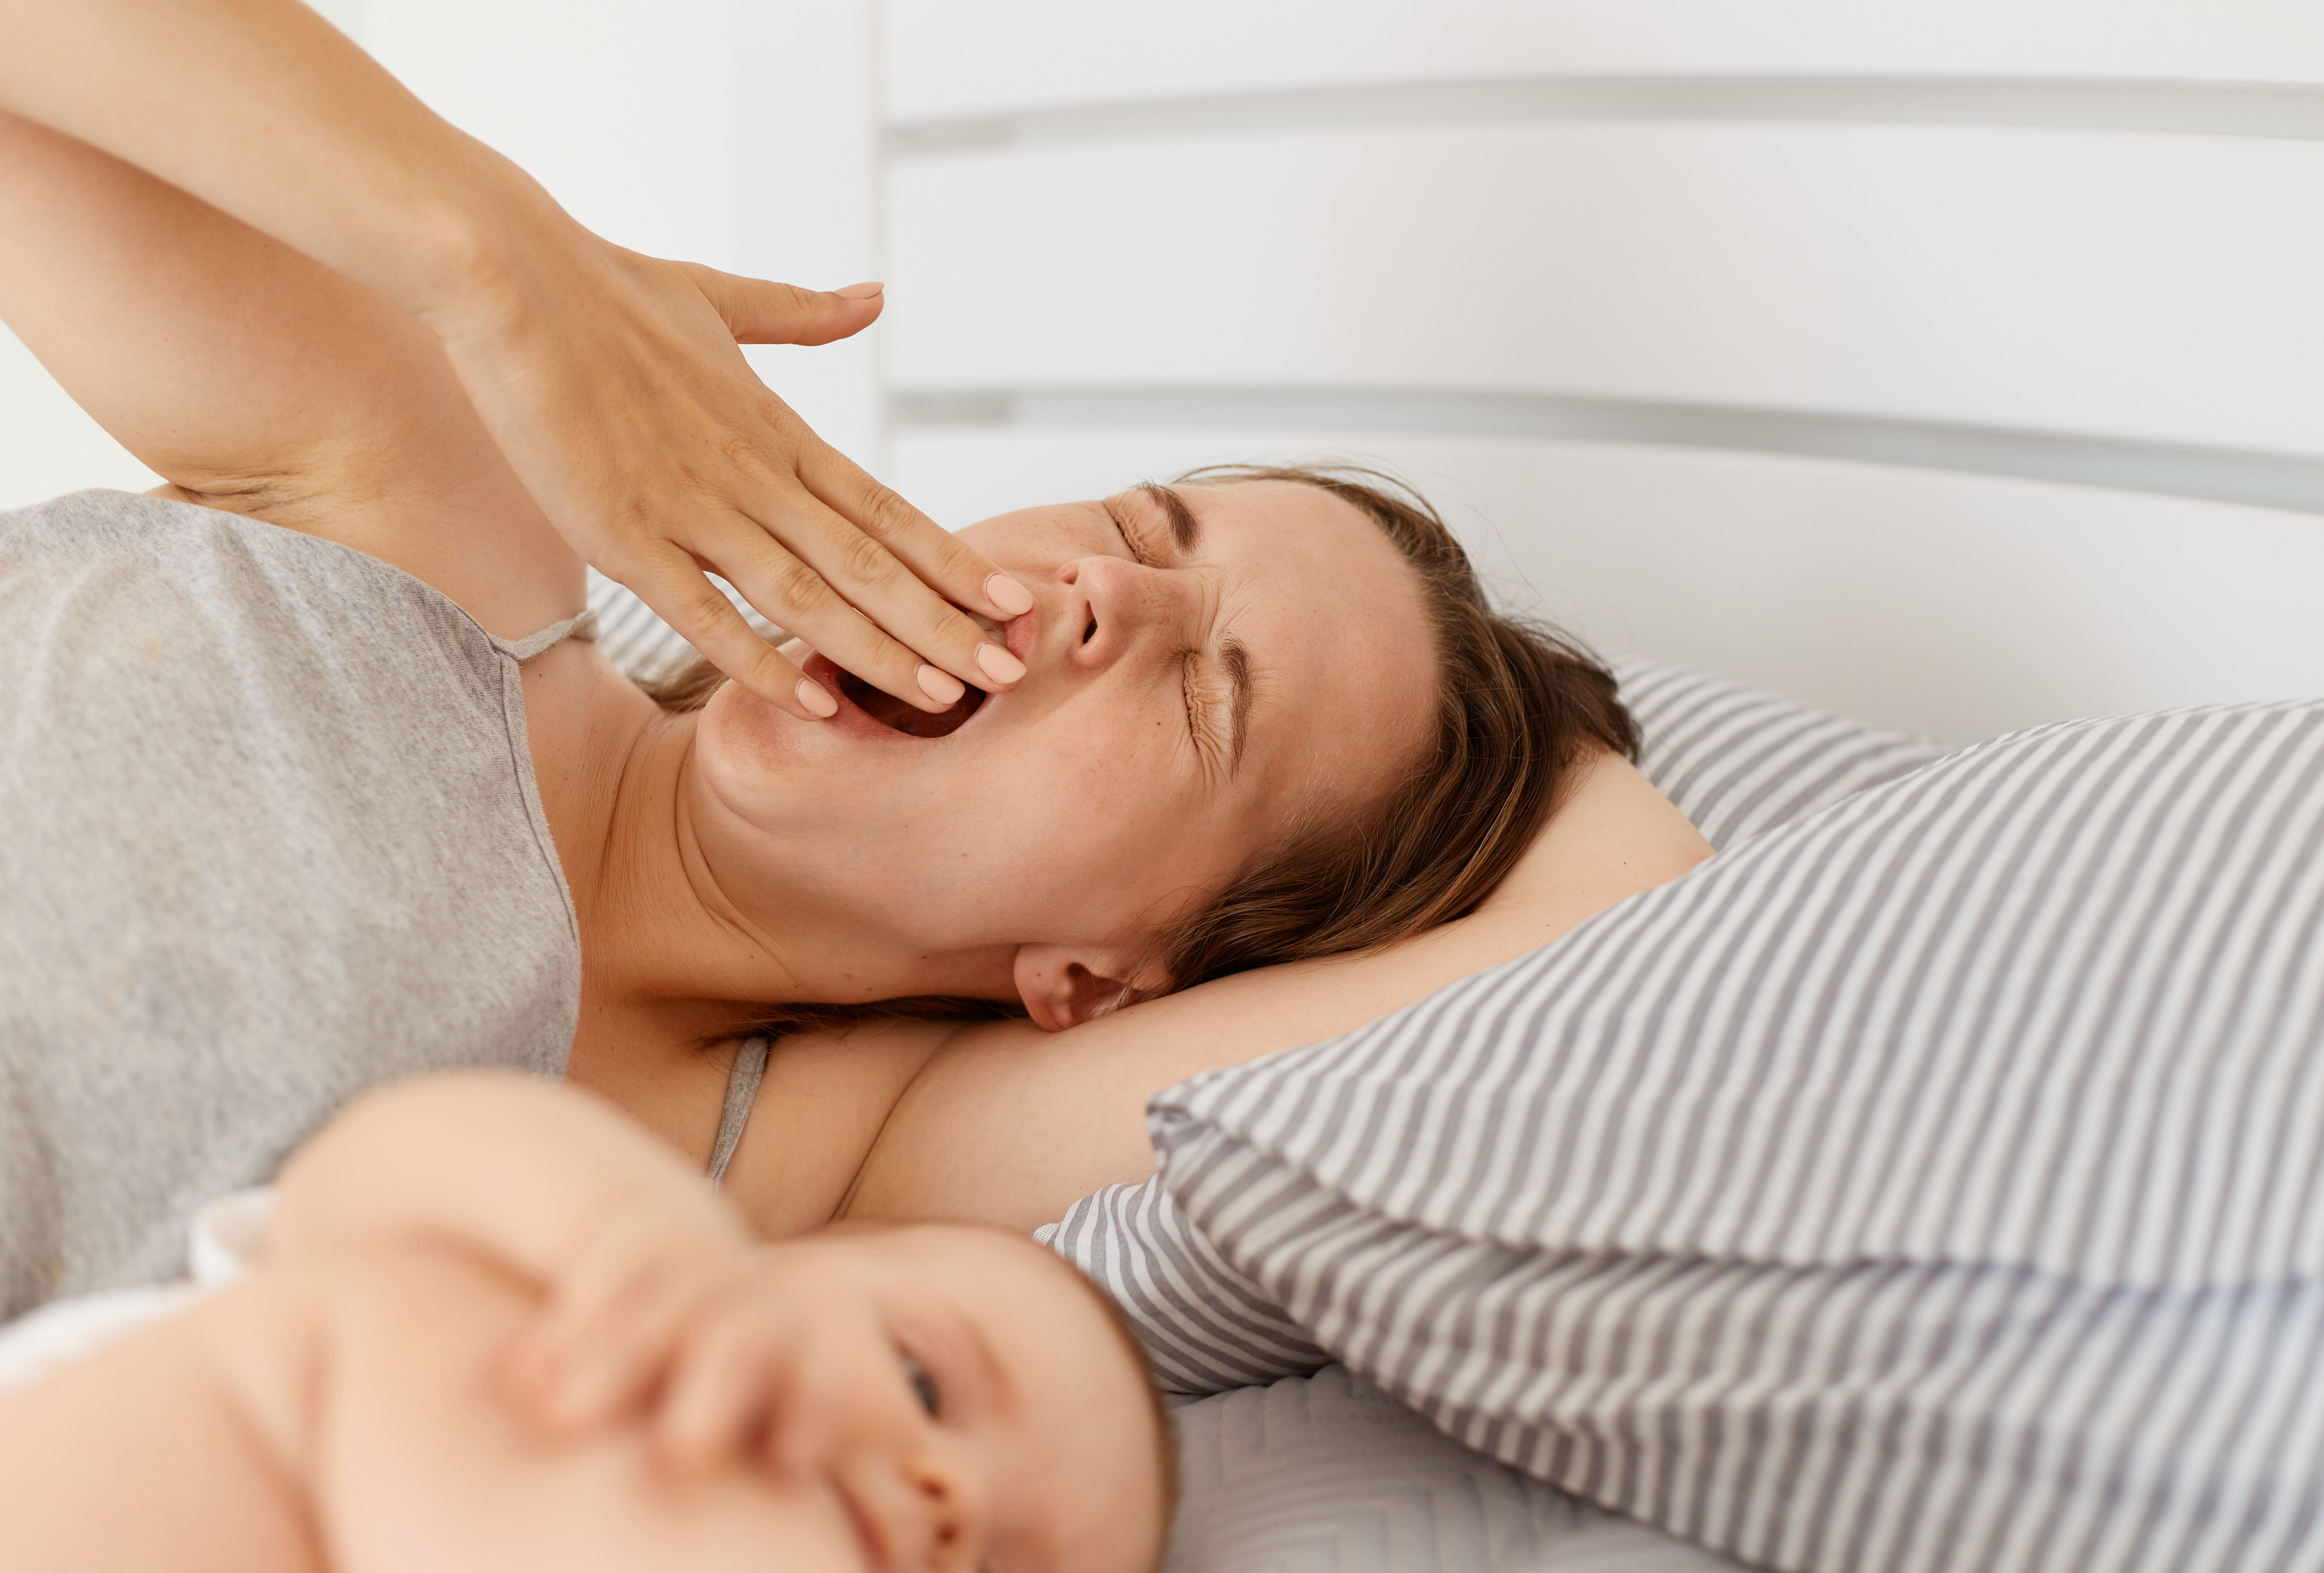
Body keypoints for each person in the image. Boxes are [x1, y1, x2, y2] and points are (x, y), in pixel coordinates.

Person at [0, 0, 1715, 1315]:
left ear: (1105, 980)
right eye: (1133, 534)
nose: (1102, 600)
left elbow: (1634, 923)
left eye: (1210, 699)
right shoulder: (437, 532)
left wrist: (1526, 733)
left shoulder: (829, 1173)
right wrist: (492, 260)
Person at [0, 1070, 1173, 1573]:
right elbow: (367, 1163)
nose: (951, 1502)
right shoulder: (507, 1281)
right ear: (763, 1257)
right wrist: (635, 1223)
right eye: (924, 1383)